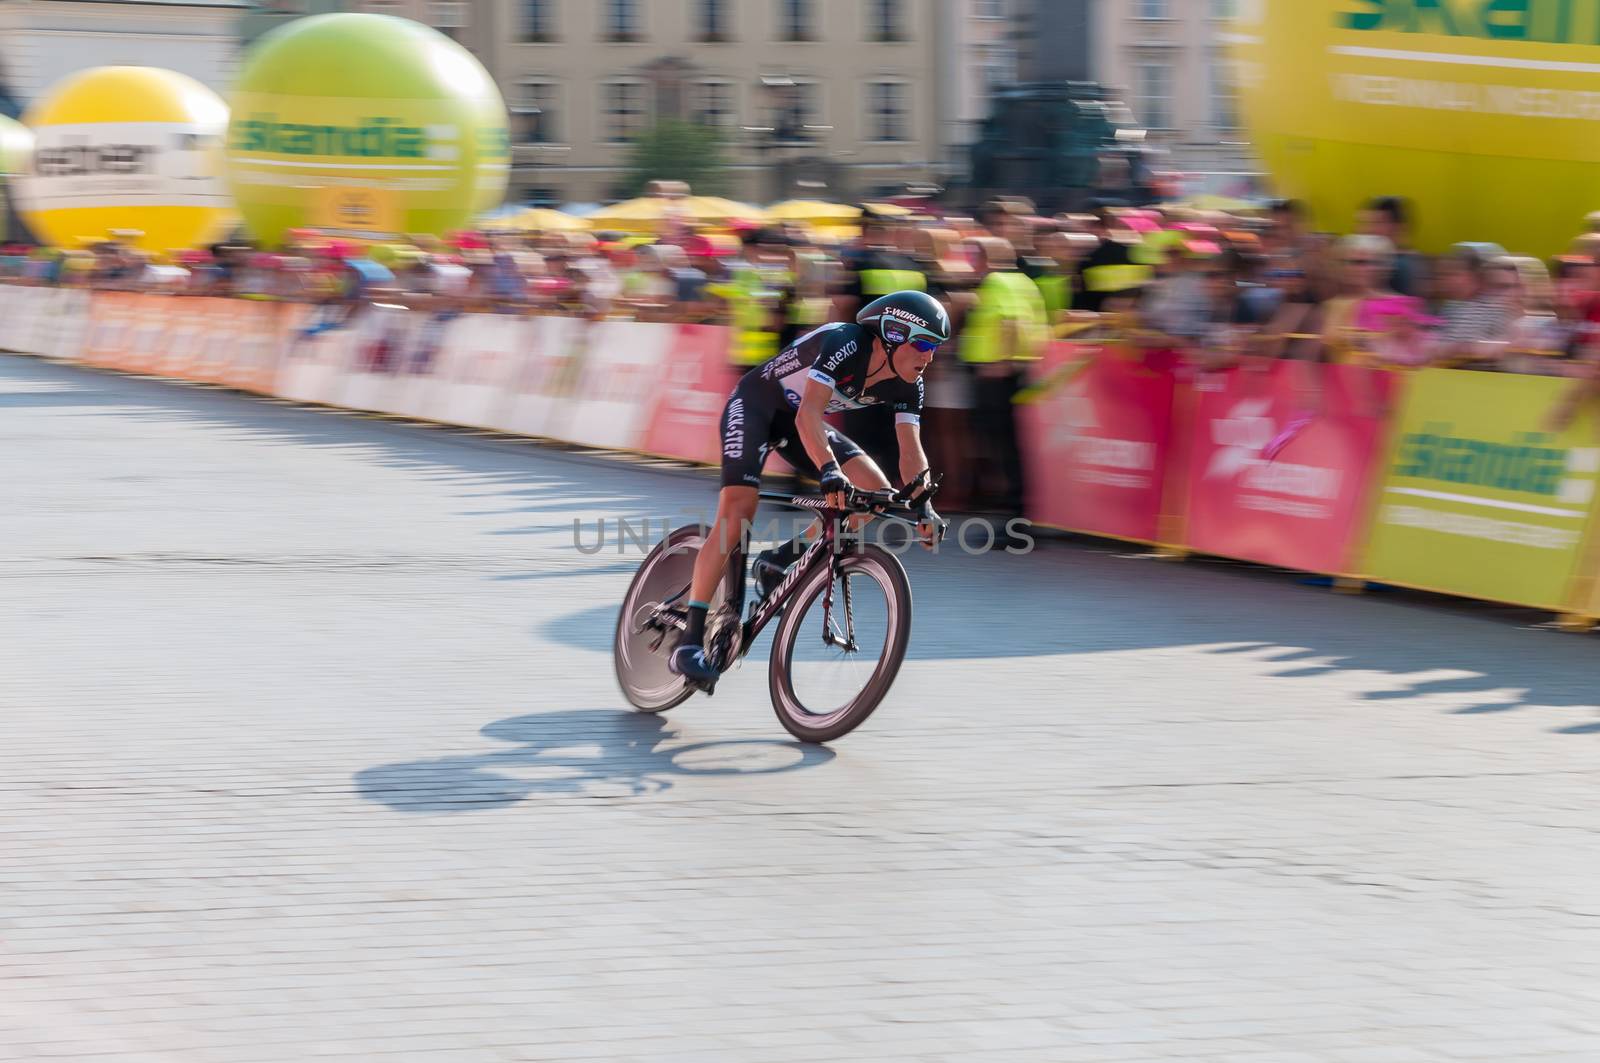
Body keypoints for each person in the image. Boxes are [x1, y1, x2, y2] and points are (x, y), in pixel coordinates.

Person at [668, 290, 951, 685]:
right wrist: (829, 472)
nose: (930, 356)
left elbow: (911, 450)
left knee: (874, 494)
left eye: (936, 347)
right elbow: (809, 415)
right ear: (891, 333)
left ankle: (782, 560)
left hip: (803, 425)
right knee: (738, 513)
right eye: (923, 343)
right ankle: (690, 639)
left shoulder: (909, 384)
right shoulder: (845, 343)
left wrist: (924, 505)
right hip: (757, 409)